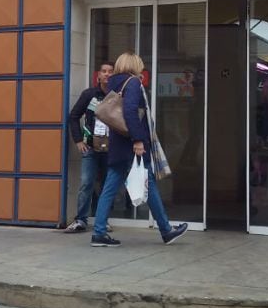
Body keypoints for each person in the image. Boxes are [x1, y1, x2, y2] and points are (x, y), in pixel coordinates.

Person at [90, 51, 187, 247]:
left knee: (110, 188)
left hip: (117, 146)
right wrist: (138, 140)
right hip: (130, 147)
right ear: (134, 65)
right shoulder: (132, 83)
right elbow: (130, 111)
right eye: (140, 65)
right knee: (148, 183)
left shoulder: (114, 83)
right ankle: (166, 230)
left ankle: (99, 232)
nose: (142, 69)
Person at [62, 62, 114, 233]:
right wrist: (78, 140)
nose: (107, 74)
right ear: (98, 75)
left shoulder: (117, 95)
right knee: (86, 183)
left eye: (110, 72)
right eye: (104, 71)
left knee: (108, 185)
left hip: (111, 148)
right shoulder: (89, 95)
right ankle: (81, 220)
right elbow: (73, 116)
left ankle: (102, 220)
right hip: (90, 147)